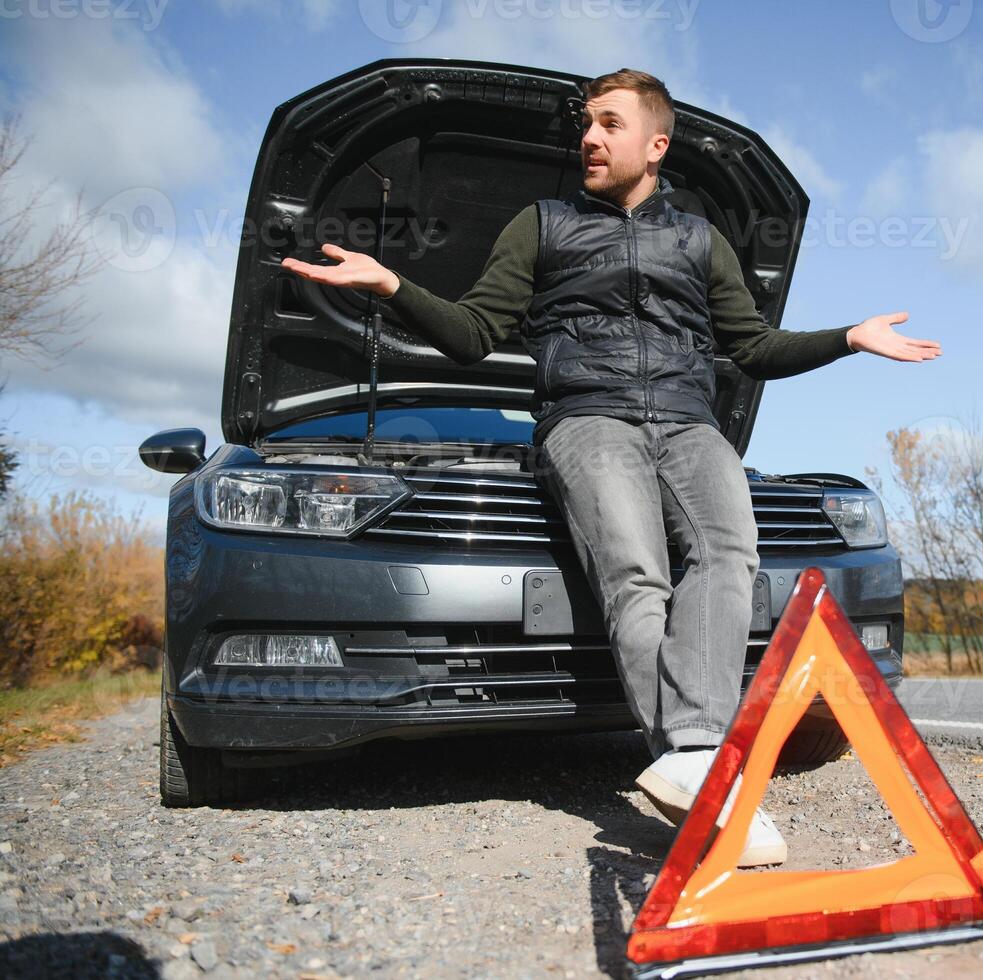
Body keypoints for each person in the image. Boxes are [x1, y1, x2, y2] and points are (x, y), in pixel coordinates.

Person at [282, 68, 942, 868]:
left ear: (655, 144)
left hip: (689, 423)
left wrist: (847, 336)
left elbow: (752, 348)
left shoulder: (700, 238)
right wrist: (391, 283)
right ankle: (704, 766)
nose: (588, 138)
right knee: (636, 575)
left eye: (608, 124)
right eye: (585, 125)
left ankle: (691, 758)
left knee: (729, 553)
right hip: (587, 417)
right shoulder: (543, 223)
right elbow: (473, 332)